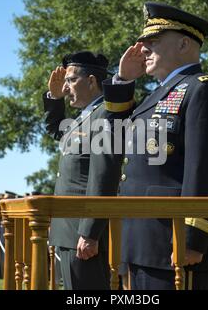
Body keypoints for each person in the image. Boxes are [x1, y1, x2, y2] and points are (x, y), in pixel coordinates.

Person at [102, 2, 208, 290]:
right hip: (141, 241)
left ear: (184, 43)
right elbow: (113, 140)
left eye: (154, 42)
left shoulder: (203, 88)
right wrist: (123, 81)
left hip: (175, 246)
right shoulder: (155, 96)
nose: (144, 49)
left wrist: (192, 239)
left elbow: (207, 171)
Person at [44, 51, 133, 289]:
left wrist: (90, 232)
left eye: (71, 80)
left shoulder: (104, 113)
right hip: (71, 230)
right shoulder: (83, 118)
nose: (66, 88)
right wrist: (54, 98)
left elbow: (104, 174)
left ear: (92, 81)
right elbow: (56, 131)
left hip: (83, 234)